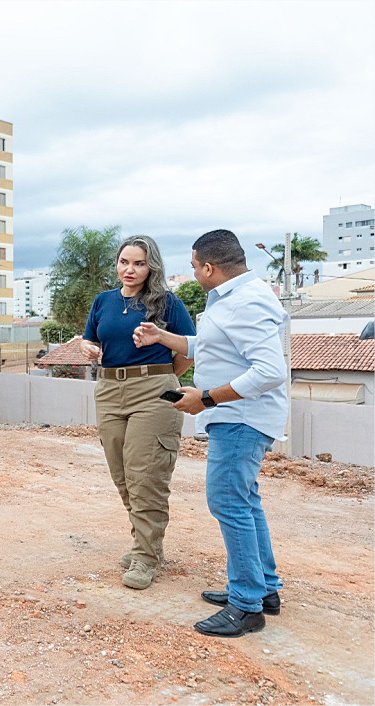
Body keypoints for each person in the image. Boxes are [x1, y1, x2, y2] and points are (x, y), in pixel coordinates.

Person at [133, 229, 288, 638]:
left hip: (242, 418)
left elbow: (271, 372)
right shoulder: (234, 298)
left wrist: (206, 398)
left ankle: (246, 605)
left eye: (194, 267)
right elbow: (216, 346)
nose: (194, 273)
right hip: (236, 417)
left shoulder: (247, 302)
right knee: (245, 502)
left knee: (228, 503)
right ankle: (264, 588)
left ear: (208, 267)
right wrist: (163, 336)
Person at [80, 235, 195, 590]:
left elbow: (189, 350)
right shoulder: (104, 301)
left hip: (154, 390)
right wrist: (87, 346)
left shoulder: (168, 303)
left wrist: (162, 373)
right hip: (110, 388)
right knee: (123, 475)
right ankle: (147, 543)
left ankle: (145, 556)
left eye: (139, 263)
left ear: (152, 267)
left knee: (146, 477)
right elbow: (92, 339)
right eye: (125, 262)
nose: (130, 270)